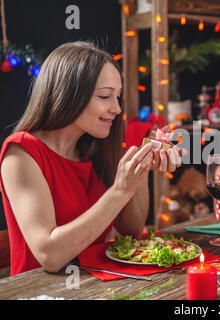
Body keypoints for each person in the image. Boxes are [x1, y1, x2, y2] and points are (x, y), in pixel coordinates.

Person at [0, 41, 183, 276]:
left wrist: (141, 166)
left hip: (97, 286)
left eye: (118, 97)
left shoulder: (94, 148)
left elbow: (132, 232)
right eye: (105, 96)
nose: (116, 108)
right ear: (69, 94)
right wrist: (119, 190)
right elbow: (50, 255)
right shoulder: (21, 153)